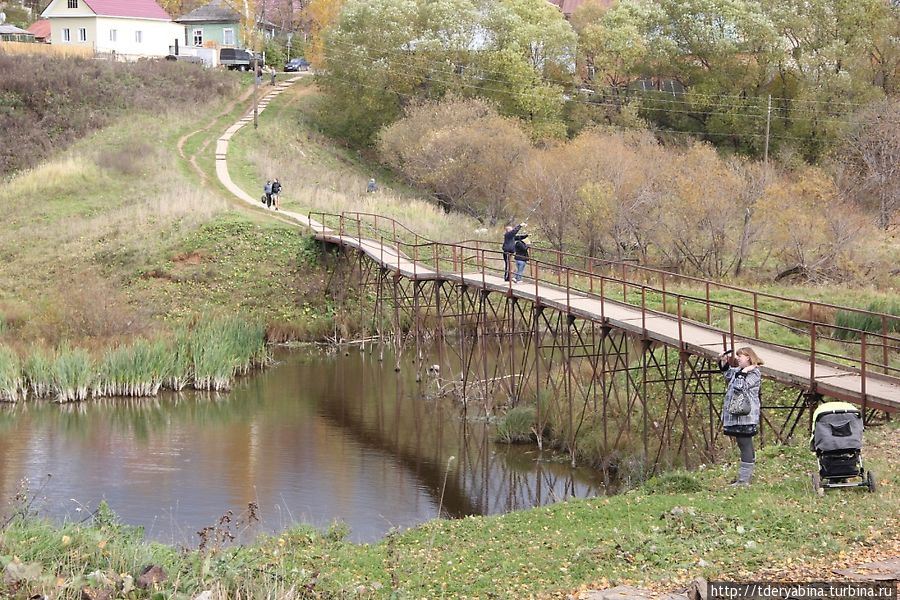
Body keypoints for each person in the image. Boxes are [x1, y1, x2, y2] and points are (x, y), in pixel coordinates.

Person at [718, 347, 764, 486]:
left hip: (746, 416)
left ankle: (744, 481)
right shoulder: (738, 371)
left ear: (749, 357)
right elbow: (727, 374)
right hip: (738, 416)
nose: (737, 358)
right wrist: (723, 361)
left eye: (740, 356)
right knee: (744, 444)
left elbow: (740, 386)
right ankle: (745, 478)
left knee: (745, 444)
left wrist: (744, 372)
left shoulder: (754, 373)